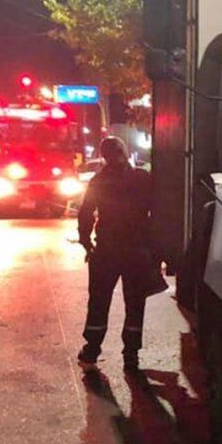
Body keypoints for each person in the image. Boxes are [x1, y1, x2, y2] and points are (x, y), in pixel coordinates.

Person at [77, 136, 153, 372]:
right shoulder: (142, 178)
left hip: (107, 250)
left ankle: (91, 350)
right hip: (137, 250)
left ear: (104, 156)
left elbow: (86, 213)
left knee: (99, 301)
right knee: (135, 302)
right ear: (125, 151)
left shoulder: (99, 181)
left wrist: (86, 242)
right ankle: (131, 355)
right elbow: (159, 209)